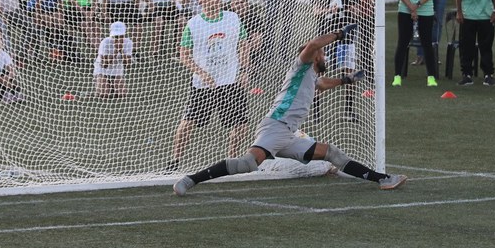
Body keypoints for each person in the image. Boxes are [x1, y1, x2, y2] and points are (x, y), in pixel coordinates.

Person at [173, 24, 406, 196]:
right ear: (313, 56)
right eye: (322, 54)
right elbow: (314, 44)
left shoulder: (312, 75)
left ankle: (383, 179)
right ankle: (190, 180)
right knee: (248, 164)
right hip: (275, 126)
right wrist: (340, 34)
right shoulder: (302, 65)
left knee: (331, 153)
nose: (324, 56)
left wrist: (346, 80)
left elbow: (322, 84)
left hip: (288, 133)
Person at [169, 0, 249, 169]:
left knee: (241, 126)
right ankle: (174, 161)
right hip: (204, 85)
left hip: (230, 82)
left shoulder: (233, 18)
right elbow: (183, 55)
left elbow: (243, 44)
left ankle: (231, 161)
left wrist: (244, 70)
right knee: (187, 124)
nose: (218, 0)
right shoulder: (194, 24)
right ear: (202, 0)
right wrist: (201, 73)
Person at [94, 21, 132, 99]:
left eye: (120, 36)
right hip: (102, 70)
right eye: (116, 36)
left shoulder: (128, 42)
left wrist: (121, 51)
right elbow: (104, 64)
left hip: (117, 70)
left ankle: (113, 86)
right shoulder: (105, 42)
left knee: (122, 95)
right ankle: (104, 84)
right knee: (104, 95)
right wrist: (115, 51)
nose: (118, 38)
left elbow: (128, 65)